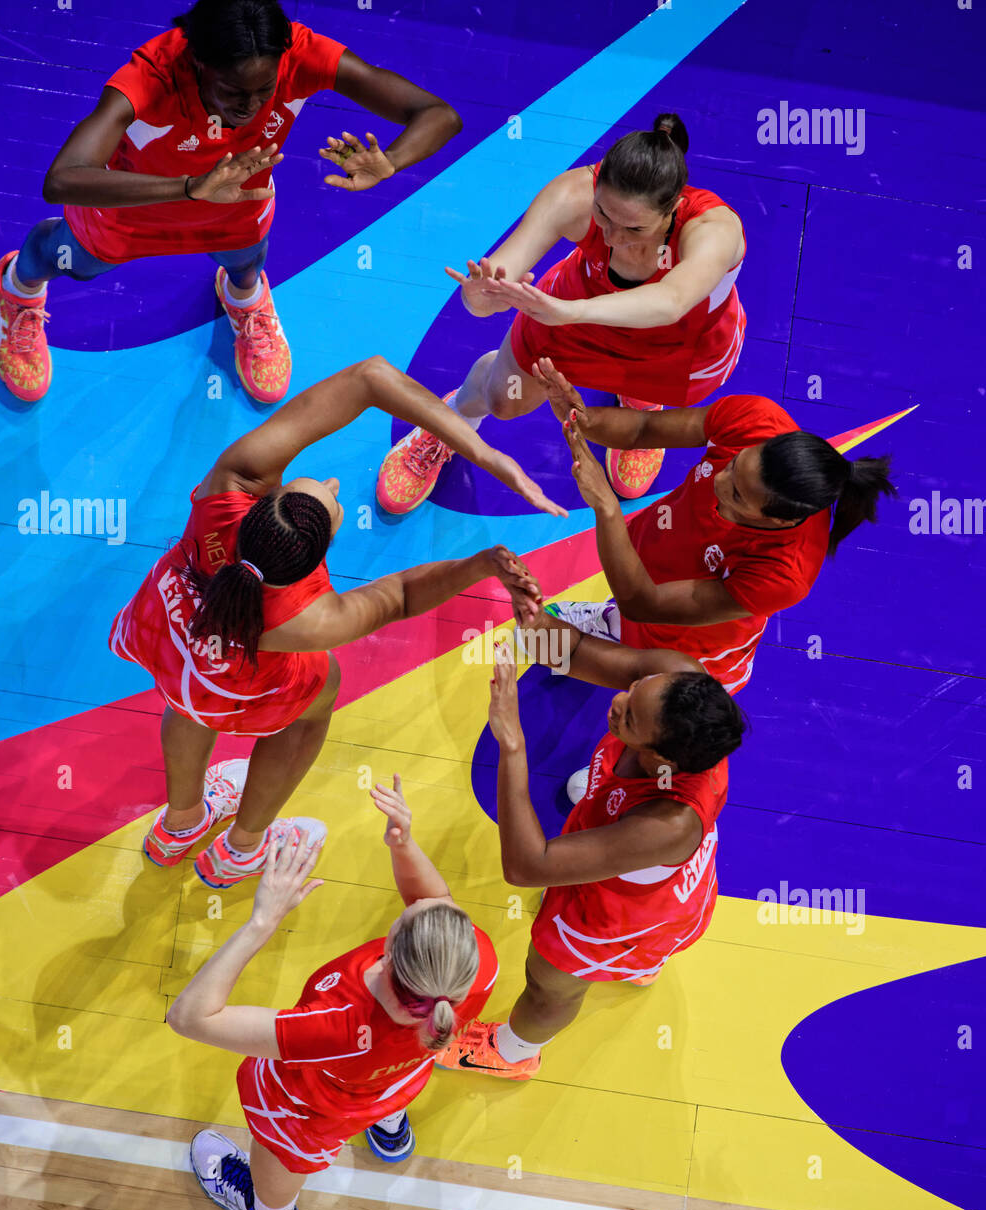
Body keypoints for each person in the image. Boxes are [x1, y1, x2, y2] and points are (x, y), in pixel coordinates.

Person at [109, 355, 544, 890]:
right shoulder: (307, 618)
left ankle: (180, 824)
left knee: (187, 704)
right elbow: (401, 595)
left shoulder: (231, 483)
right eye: (333, 500)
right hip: (231, 675)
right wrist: (480, 562)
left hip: (170, 636)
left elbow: (367, 378)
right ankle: (242, 850)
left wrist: (477, 447)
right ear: (314, 559)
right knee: (316, 699)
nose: (335, 484)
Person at [0, 0, 463, 404]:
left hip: (238, 203)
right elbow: (62, 180)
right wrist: (189, 188)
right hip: (128, 211)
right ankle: (17, 290)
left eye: (264, 91)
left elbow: (439, 114)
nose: (251, 107)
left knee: (246, 261)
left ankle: (245, 301)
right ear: (199, 62)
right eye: (234, 92)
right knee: (68, 259)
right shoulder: (152, 75)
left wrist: (393, 162)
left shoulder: (301, 56)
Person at [168, 775, 499, 1210]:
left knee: (282, 1154)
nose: (425, 900)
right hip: (395, 1078)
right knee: (391, 1085)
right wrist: (403, 846)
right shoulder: (473, 965)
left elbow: (191, 1018)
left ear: (389, 952)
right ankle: (386, 1127)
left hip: (316, 1105)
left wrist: (262, 922)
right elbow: (436, 903)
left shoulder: (337, 1025)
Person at [376, 112, 747, 514]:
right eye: (604, 215)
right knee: (505, 401)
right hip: (572, 318)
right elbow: (495, 280)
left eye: (635, 230)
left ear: (673, 207)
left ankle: (641, 400)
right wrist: (482, 298)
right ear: (597, 184)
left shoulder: (714, 228)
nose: (613, 238)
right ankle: (453, 419)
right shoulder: (573, 194)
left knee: (647, 399)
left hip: (677, 346)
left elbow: (672, 300)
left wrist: (570, 312)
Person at [435, 625, 744, 1080]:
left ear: (664, 761)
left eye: (632, 719)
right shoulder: (679, 686)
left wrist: (512, 742)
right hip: (655, 875)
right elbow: (578, 650)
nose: (619, 700)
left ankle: (515, 1052)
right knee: (638, 930)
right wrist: (529, 616)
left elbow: (527, 866)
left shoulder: (668, 823)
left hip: (614, 916)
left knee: (548, 985)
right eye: (636, 687)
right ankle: (643, 964)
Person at [532, 363, 897, 695]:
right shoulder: (756, 421)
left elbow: (644, 604)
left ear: (779, 520)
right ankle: (613, 626)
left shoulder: (784, 573)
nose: (719, 481)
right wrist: (582, 419)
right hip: (654, 558)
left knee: (651, 708)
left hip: (693, 644)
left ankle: (639, 766)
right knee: (623, 620)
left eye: (737, 494)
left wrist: (607, 509)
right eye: (734, 463)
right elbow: (645, 428)